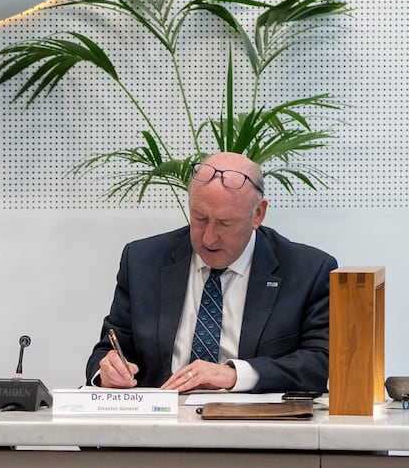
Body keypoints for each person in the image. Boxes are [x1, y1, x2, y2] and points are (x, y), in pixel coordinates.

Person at [86, 151, 336, 393]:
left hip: (257, 427)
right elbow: (109, 348)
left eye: (225, 224)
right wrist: (108, 371)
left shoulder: (308, 270)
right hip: (160, 425)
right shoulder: (143, 261)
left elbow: (321, 362)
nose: (208, 238)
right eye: (200, 218)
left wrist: (235, 374)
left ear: (258, 214)